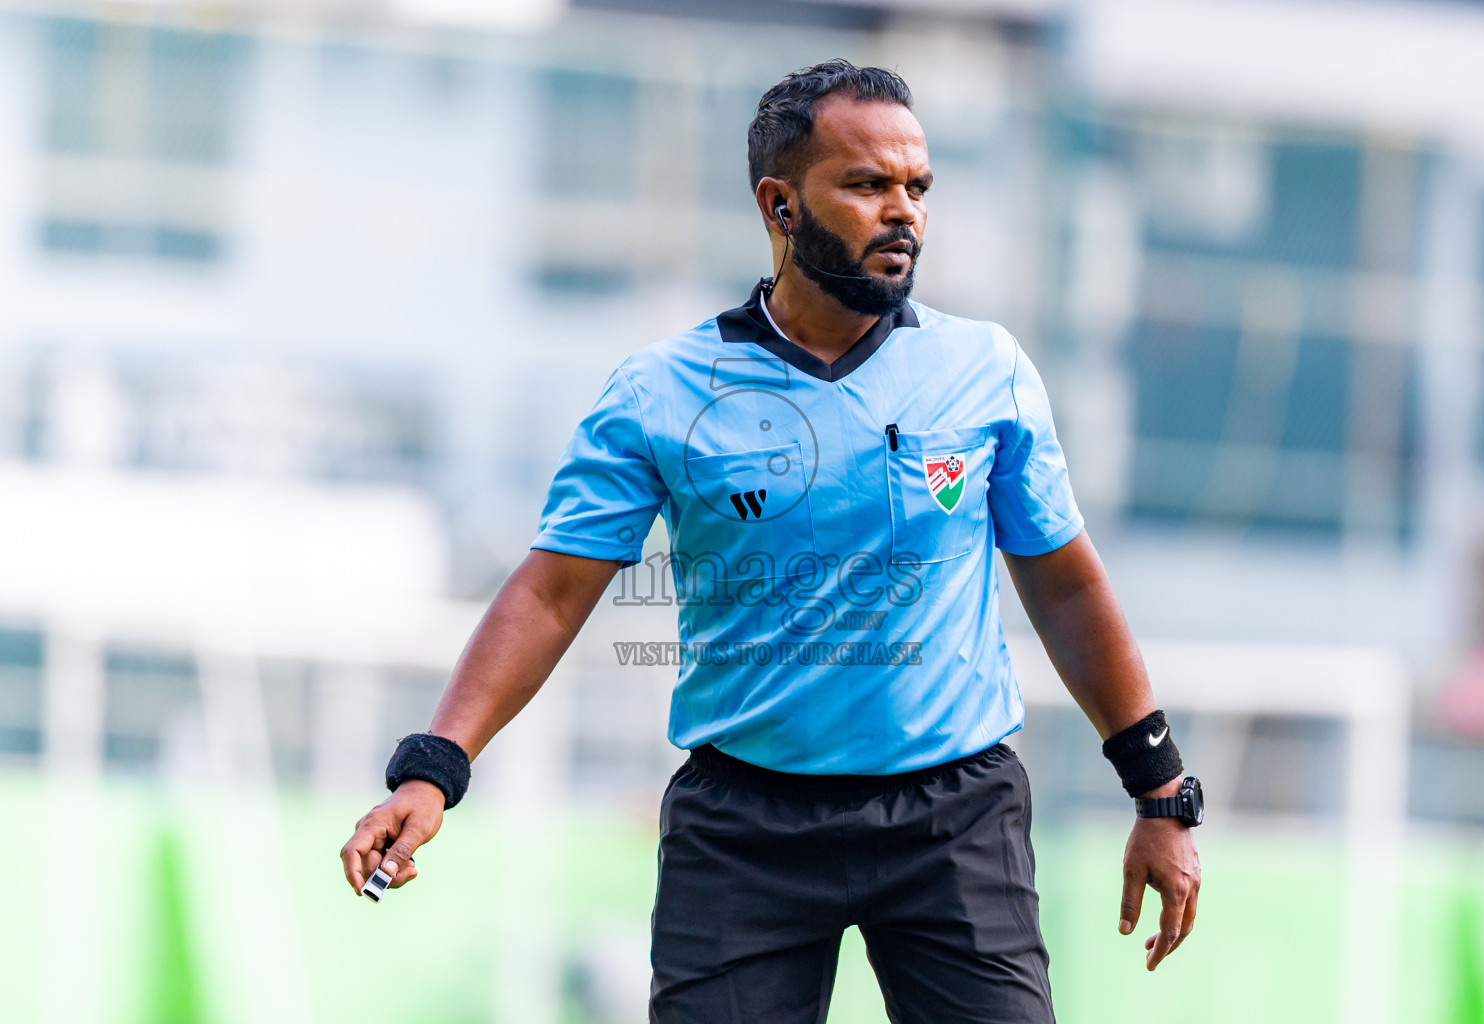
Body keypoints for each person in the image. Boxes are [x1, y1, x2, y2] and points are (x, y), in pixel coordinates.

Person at [341, 60, 1201, 1022]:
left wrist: (1160, 790)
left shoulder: (984, 371)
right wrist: (435, 766)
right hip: (743, 827)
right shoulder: (660, 392)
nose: (903, 212)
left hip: (953, 817)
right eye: (868, 185)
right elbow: (548, 593)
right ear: (780, 204)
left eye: (917, 187)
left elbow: (1067, 588)